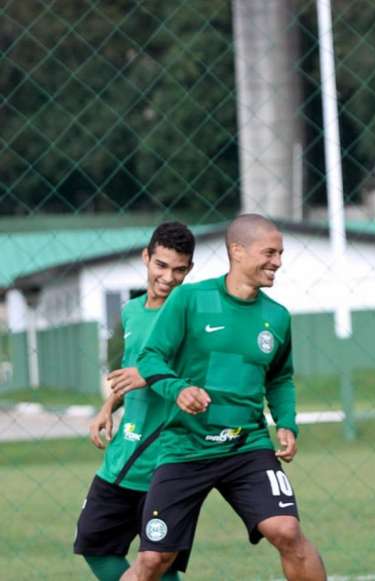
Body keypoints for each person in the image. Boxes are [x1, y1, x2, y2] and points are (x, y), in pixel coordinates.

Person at [121, 214, 326, 581]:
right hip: (185, 447)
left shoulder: (276, 317)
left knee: (287, 531)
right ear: (238, 251)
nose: (277, 261)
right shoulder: (189, 299)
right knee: (154, 559)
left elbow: (280, 378)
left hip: (246, 446)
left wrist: (287, 423)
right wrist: (178, 389)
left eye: (280, 253)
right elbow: (151, 358)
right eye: (269, 252)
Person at [74, 222, 196, 581]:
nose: (168, 277)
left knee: (161, 561)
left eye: (179, 269)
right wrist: (108, 407)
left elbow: (201, 384)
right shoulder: (131, 312)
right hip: (122, 454)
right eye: (161, 265)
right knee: (95, 545)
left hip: (167, 459)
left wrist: (152, 376)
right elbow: (131, 369)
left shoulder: (193, 317)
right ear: (146, 258)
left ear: (188, 270)